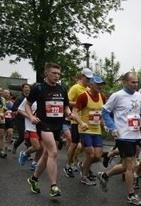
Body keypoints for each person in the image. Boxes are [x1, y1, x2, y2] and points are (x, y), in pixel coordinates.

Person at [96, 71, 141, 206]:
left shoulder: (139, 96)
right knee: (131, 166)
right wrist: (113, 128)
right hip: (123, 135)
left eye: (137, 82)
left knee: (126, 166)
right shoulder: (117, 96)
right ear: (124, 82)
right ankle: (131, 195)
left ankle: (104, 176)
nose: (135, 85)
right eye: (133, 82)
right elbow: (105, 112)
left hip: (135, 134)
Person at [25, 62, 72, 198]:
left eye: (58, 74)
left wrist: (69, 113)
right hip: (43, 123)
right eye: (54, 73)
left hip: (57, 124)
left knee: (46, 154)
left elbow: (66, 106)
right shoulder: (38, 88)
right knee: (53, 152)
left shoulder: (62, 88)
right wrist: (30, 117)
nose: (57, 76)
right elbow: (27, 105)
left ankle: (33, 179)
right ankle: (53, 186)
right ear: (46, 73)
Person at [71, 75, 107, 186]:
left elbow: (102, 113)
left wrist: (104, 125)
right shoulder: (83, 96)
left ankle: (82, 165)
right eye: (97, 84)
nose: (100, 86)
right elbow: (75, 112)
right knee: (90, 155)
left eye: (101, 84)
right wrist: (81, 123)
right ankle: (84, 177)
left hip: (96, 130)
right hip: (85, 130)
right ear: (90, 85)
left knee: (98, 156)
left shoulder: (102, 97)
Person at [65, 68, 92, 178]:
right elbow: (66, 102)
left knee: (87, 146)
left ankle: (83, 166)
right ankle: (68, 165)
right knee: (75, 143)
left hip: (87, 121)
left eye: (90, 78)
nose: (88, 80)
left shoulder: (89, 89)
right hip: (76, 120)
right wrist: (79, 103)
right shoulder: (75, 88)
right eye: (87, 78)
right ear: (82, 76)